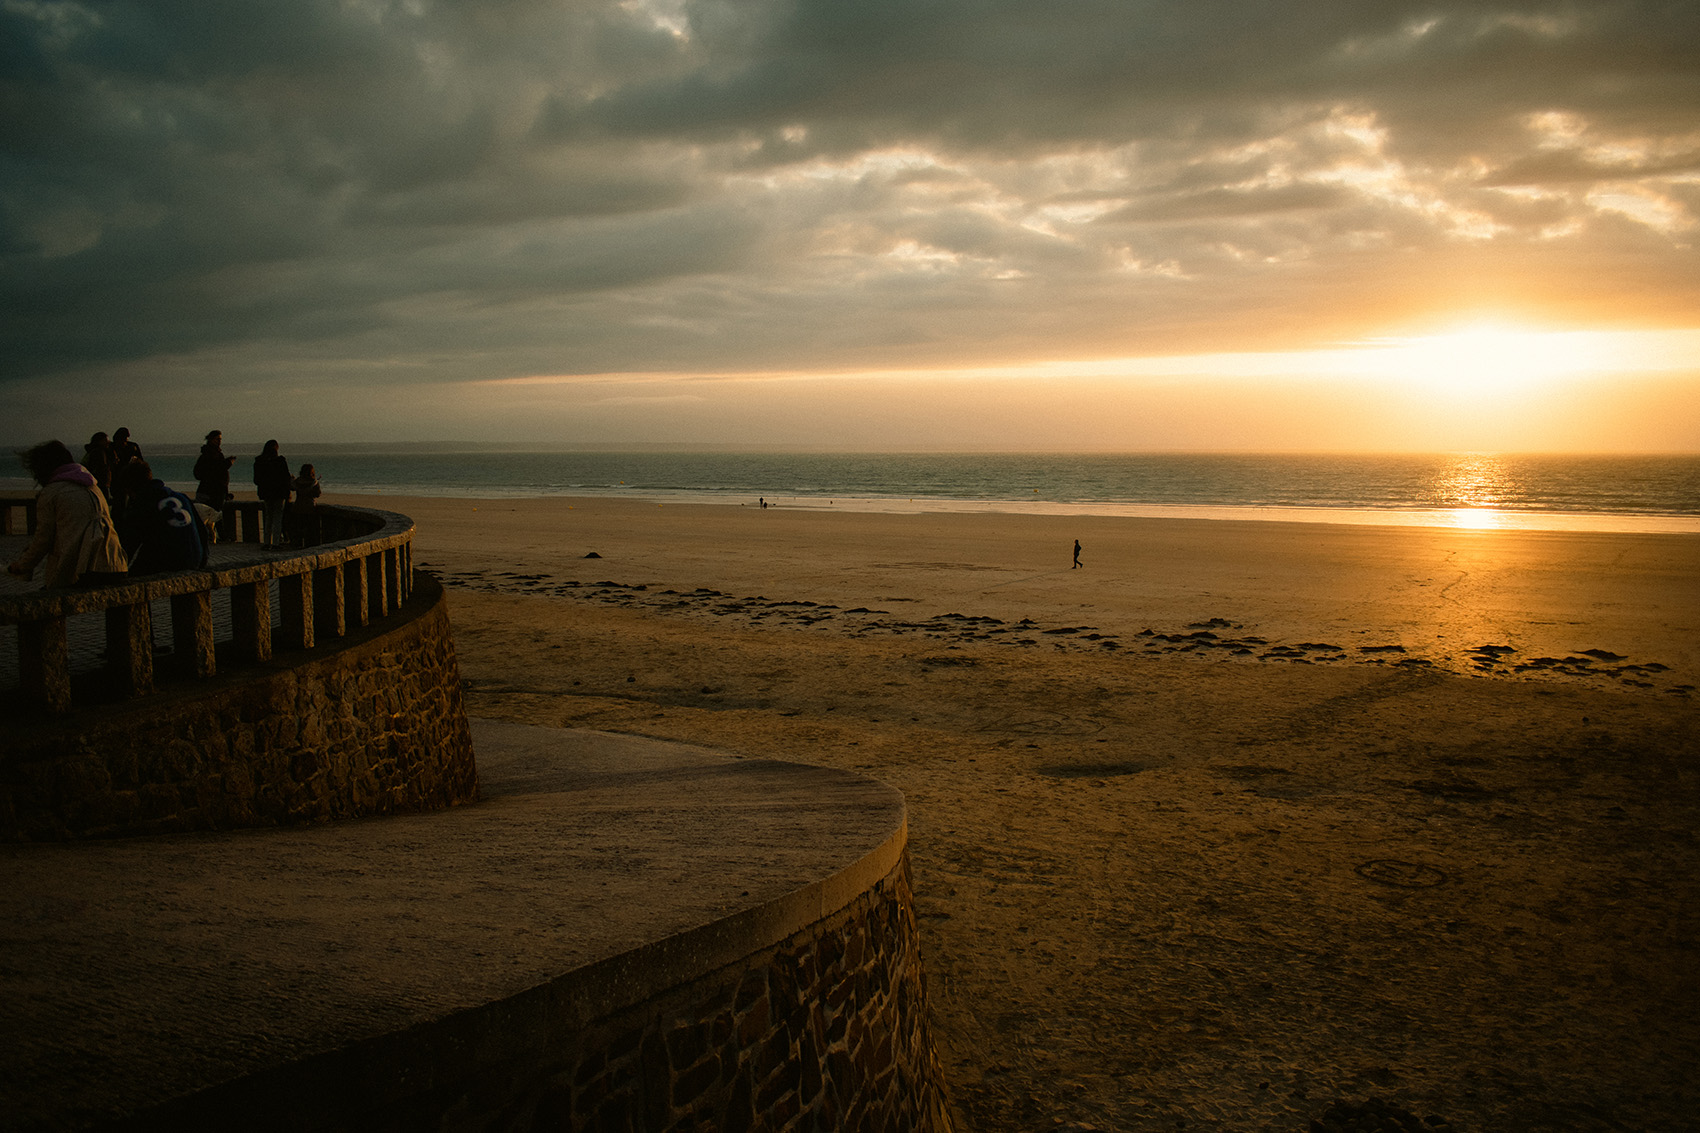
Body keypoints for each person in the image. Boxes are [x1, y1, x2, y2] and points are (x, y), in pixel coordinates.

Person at [7, 440, 128, 587]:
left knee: (48, 600)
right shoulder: (92, 485)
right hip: (115, 563)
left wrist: (22, 565)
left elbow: (43, 539)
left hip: (85, 569)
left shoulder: (52, 492)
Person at [117, 460, 207, 574]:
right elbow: (202, 532)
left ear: (131, 488)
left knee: (135, 575)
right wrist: (202, 563)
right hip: (194, 560)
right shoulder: (181, 497)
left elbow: (130, 543)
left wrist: (119, 571)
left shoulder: (143, 504)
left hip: (169, 563)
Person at [252, 440, 292, 549]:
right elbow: (286, 477)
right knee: (277, 518)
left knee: (268, 517)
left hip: (266, 493)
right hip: (279, 493)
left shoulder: (259, 462)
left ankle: (266, 542)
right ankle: (275, 543)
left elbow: (256, 480)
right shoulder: (280, 461)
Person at [192, 429, 235, 514]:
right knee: (213, 517)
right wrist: (228, 463)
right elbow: (216, 469)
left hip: (213, 492)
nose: (219, 441)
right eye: (217, 439)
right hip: (212, 493)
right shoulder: (209, 454)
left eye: (220, 439)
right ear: (211, 440)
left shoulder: (212, 454)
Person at [109, 427, 143, 514]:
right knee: (119, 504)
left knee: (129, 503)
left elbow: (141, 462)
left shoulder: (132, 446)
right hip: (118, 479)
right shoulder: (112, 448)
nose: (124, 441)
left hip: (129, 479)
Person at [289, 463, 322, 547]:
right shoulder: (314, 482)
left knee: (298, 529)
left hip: (298, 507)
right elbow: (318, 494)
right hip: (310, 507)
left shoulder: (298, 481)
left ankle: (297, 545)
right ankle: (309, 546)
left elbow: (292, 487)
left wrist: (292, 479)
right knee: (310, 530)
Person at [82, 432, 115, 503]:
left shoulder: (92, 451)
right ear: (100, 441)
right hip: (100, 483)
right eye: (105, 440)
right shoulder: (98, 452)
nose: (108, 442)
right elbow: (102, 468)